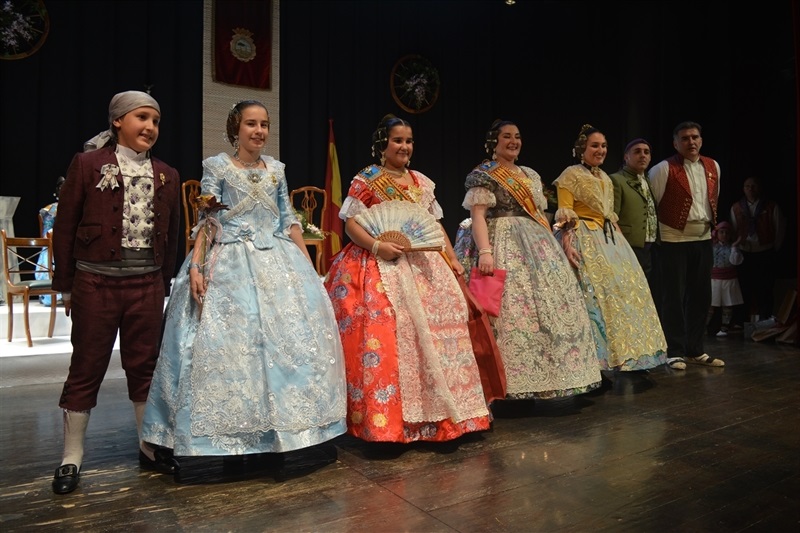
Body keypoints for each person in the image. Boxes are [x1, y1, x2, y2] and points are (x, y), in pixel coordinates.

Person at [141, 100, 347, 462]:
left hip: (277, 261)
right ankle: (232, 434)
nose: (259, 131)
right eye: (251, 123)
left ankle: (291, 430)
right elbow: (208, 220)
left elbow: (288, 220)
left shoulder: (277, 170)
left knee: (286, 346)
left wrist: (310, 268)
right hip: (230, 261)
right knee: (232, 348)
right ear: (235, 129)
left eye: (264, 124)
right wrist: (196, 266)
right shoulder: (217, 167)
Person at [324, 114, 492, 443]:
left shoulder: (421, 183)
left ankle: (446, 416)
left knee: (442, 331)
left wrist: (452, 258)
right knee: (388, 331)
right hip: (380, 263)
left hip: (425, 265)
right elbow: (351, 224)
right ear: (382, 144)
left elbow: (434, 226)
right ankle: (393, 423)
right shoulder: (366, 180)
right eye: (397, 140)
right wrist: (377, 246)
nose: (404, 146)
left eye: (409, 141)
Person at [50, 90, 181, 494]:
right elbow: (66, 227)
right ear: (118, 121)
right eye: (142, 117)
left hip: (146, 284)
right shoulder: (88, 164)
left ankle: (148, 446)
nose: (150, 127)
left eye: (155, 121)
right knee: (86, 366)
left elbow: (172, 235)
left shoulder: (167, 174)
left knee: (144, 366)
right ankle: (71, 456)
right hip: (96, 282)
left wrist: (163, 283)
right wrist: (65, 286)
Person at [454, 119, 602, 400]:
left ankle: (547, 379)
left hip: (535, 242)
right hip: (501, 241)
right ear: (494, 142)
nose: (514, 142)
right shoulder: (484, 174)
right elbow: (478, 216)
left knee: (547, 307)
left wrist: (560, 241)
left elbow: (539, 214)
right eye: (507, 137)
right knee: (509, 308)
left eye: (517, 136)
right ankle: (504, 383)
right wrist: (485, 251)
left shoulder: (530, 174)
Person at [552, 124, 667, 372]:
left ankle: (625, 355)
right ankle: (593, 362)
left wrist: (621, 241)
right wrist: (567, 243)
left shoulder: (604, 176)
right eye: (594, 145)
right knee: (593, 298)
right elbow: (565, 211)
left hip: (609, 239)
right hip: (583, 235)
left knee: (622, 296)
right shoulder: (570, 174)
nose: (600, 150)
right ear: (582, 149)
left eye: (603, 146)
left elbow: (609, 214)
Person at [649, 120, 724, 368]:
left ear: (701, 140)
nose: (691, 142)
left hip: (702, 238)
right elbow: (653, 206)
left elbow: (712, 199)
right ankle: (674, 350)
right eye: (685, 138)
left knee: (701, 296)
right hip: (673, 239)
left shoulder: (713, 166)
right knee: (673, 296)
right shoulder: (663, 169)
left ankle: (695, 349)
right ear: (675, 143)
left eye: (694, 137)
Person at [608, 139, 659, 299]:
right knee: (628, 291)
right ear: (626, 157)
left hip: (649, 245)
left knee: (644, 293)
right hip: (628, 245)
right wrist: (619, 245)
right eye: (637, 151)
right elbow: (611, 216)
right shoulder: (616, 180)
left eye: (646, 152)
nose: (642, 155)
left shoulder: (648, 180)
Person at [730, 177, 786, 321]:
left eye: (754, 186)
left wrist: (773, 248)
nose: (750, 189)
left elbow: (779, 229)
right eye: (747, 186)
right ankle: (742, 322)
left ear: (759, 188)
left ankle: (765, 320)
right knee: (744, 289)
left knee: (765, 289)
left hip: (765, 252)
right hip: (744, 254)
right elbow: (733, 230)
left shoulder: (771, 206)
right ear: (743, 189)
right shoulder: (736, 207)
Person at [706, 221, 743, 337]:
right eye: (721, 232)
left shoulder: (732, 248)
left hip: (729, 279)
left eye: (727, 233)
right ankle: (704, 327)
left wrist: (734, 247)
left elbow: (735, 261)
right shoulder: (712, 247)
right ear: (717, 233)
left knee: (728, 304)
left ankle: (725, 327)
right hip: (715, 279)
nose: (724, 235)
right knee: (711, 304)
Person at [36, 175, 65, 305]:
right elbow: (46, 234)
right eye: (61, 187)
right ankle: (52, 294)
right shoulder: (49, 210)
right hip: (53, 246)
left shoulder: (78, 208)